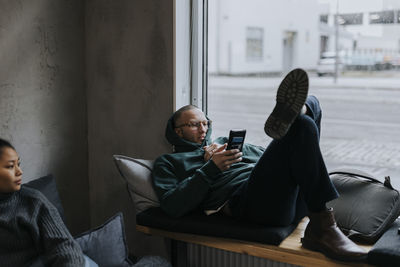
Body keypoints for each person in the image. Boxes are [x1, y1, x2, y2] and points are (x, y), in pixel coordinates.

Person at [152, 69, 367, 262]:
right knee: (302, 125)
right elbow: (172, 205)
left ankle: (297, 111)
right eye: (193, 124)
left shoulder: (220, 143)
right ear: (178, 131)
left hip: (285, 198)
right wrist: (211, 167)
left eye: (205, 123)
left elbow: (269, 158)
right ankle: (323, 227)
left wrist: (236, 152)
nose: (202, 129)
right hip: (250, 204)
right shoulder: (168, 162)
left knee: (313, 104)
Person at [0, 138, 89, 267]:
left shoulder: (33, 202)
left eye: (18, 164)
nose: (19, 171)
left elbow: (64, 246)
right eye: (10, 166)